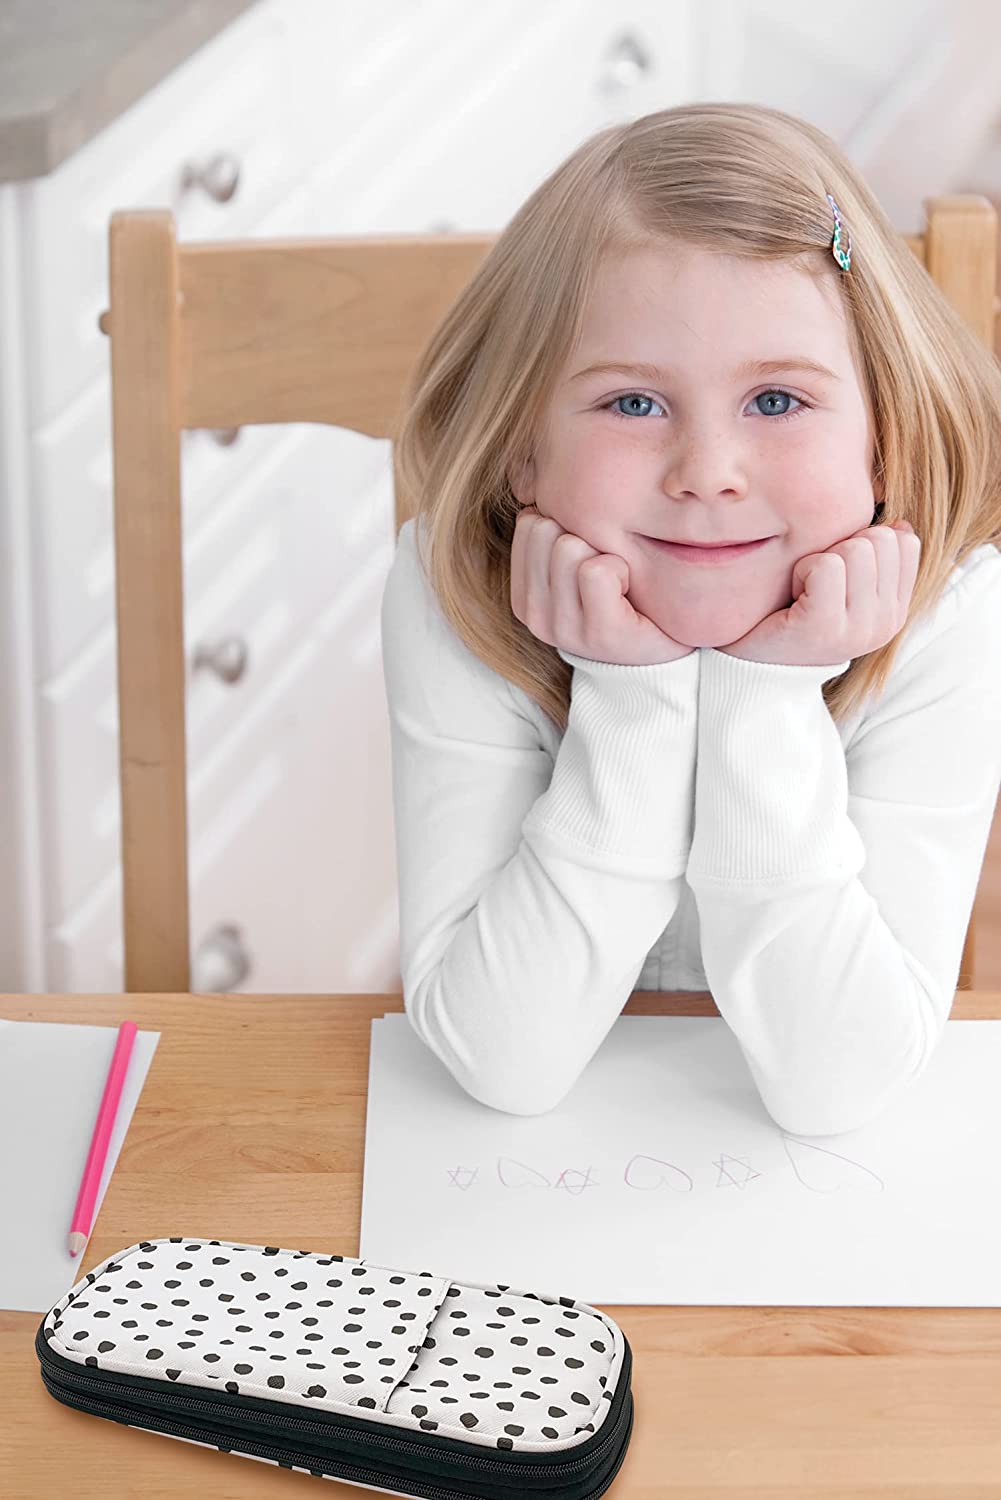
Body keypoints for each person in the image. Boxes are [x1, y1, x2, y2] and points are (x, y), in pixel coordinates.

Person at [379, 102, 1001, 1137]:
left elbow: (838, 1087)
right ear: (518, 452)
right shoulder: (456, 587)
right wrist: (628, 696)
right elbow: (501, 1062)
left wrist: (762, 699)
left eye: (775, 402)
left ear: (882, 435)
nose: (706, 474)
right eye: (632, 404)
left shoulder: (950, 610)